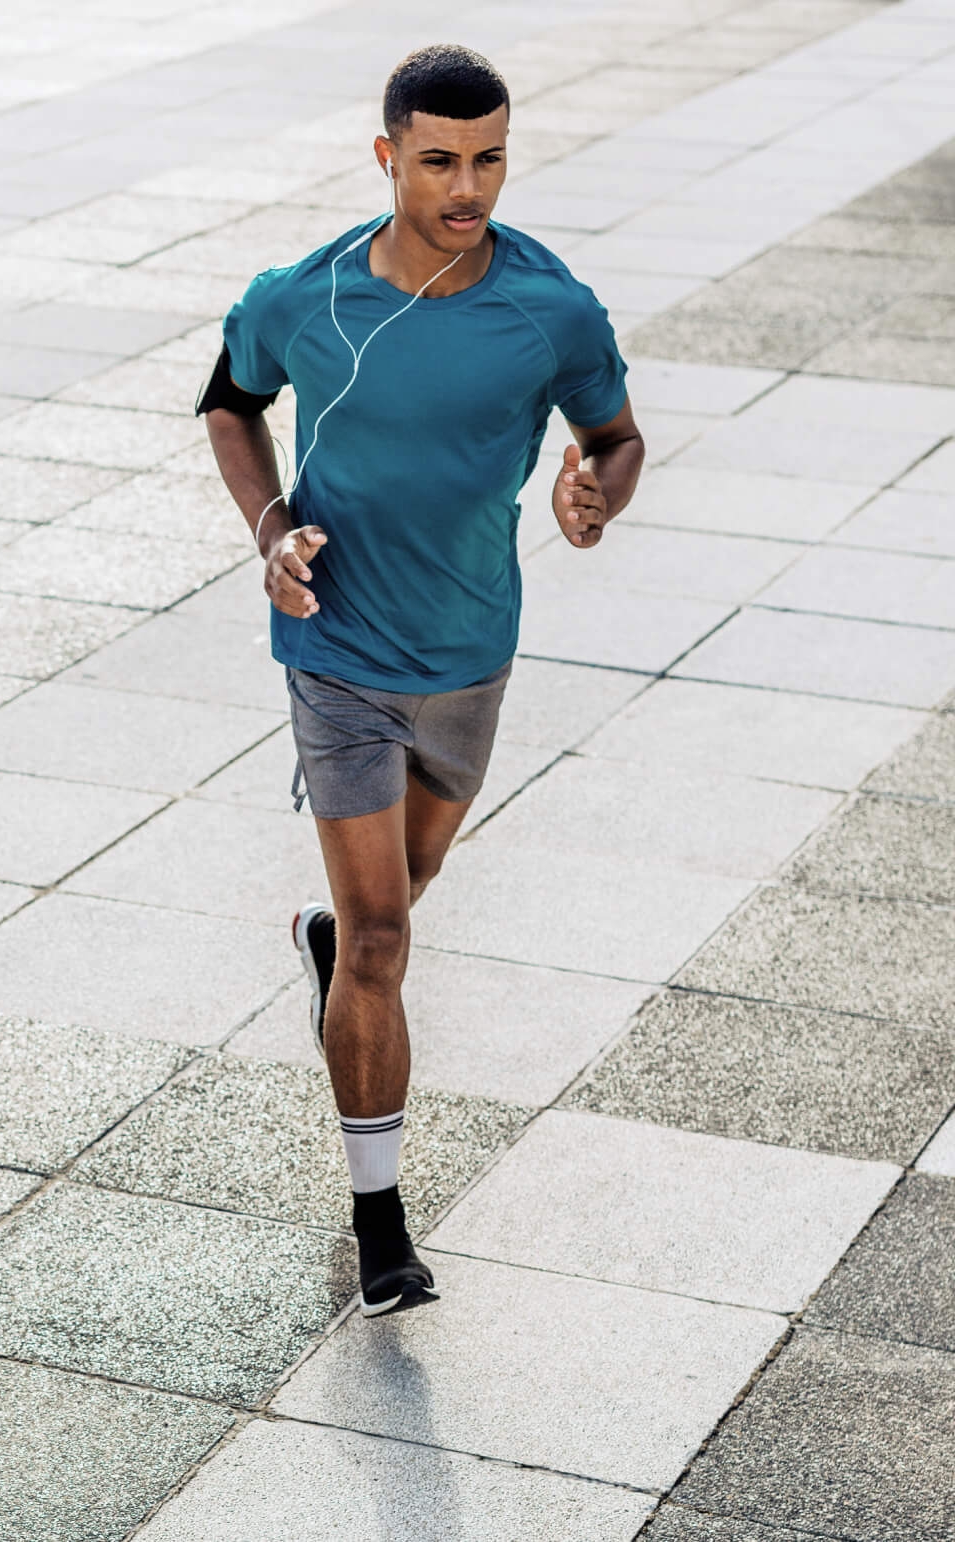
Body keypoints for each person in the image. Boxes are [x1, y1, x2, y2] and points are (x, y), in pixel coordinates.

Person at [199, 45, 644, 1317]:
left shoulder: (553, 309)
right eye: (440, 159)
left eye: (490, 157)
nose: (469, 186)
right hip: (335, 647)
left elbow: (614, 439)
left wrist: (591, 498)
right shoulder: (307, 295)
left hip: (469, 652)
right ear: (386, 152)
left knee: (400, 893)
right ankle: (381, 1220)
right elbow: (230, 405)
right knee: (391, 936)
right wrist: (272, 526)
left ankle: (332, 947)